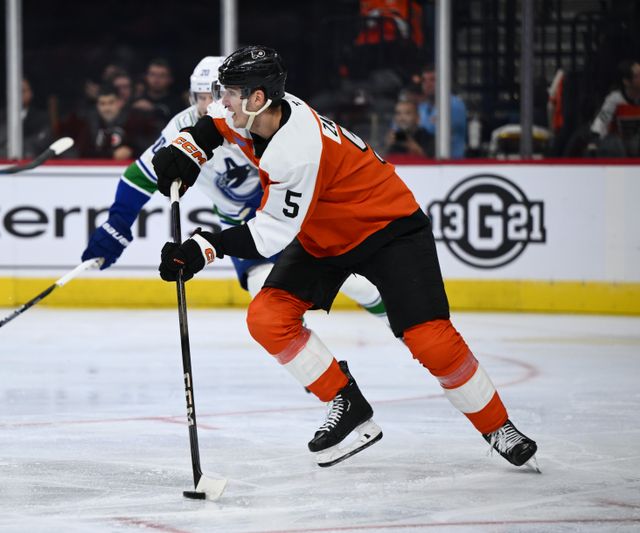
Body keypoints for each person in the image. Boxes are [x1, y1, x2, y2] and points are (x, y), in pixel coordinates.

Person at [150, 45, 538, 470]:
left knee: (430, 340)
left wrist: (202, 247)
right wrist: (186, 152)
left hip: (389, 229)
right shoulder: (259, 110)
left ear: (257, 98)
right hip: (324, 235)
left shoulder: (293, 149)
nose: (222, 100)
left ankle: (498, 426)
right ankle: (346, 403)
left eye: (229, 91)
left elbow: (267, 236)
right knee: (267, 318)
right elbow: (214, 126)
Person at [81, 55, 389, 325]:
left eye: (213, 95)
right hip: (240, 221)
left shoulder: (252, 123)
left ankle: (399, 325)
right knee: (264, 293)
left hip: (286, 209)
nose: (205, 105)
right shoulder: (180, 128)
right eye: (198, 96)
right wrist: (116, 225)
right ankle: (313, 364)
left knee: (356, 284)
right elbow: (141, 176)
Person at [0, 78, 52, 159]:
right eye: (15, 91)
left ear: (31, 93)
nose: (18, 95)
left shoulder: (41, 118)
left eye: (23, 91)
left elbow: (41, 143)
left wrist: (12, 147)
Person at [587, 60, 640, 157]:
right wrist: (594, 139)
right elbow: (601, 121)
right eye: (637, 76)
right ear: (626, 81)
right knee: (614, 143)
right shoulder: (615, 100)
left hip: (635, 145)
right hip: (617, 147)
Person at [417, 63, 467, 159]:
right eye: (424, 80)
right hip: (427, 162)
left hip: (452, 163)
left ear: (444, 81)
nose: (427, 84)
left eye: (433, 80)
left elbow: (432, 134)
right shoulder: (422, 106)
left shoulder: (453, 104)